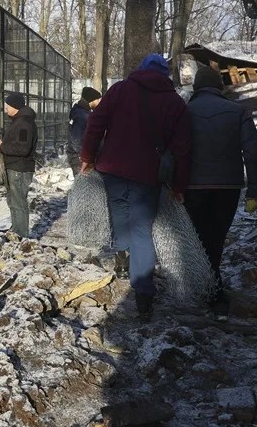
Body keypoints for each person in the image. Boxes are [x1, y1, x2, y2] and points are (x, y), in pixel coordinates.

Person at [80, 53, 192, 321]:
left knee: (119, 213)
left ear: (140, 69)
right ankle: (143, 295)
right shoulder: (174, 102)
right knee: (142, 231)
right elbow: (183, 148)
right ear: (165, 75)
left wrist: (88, 157)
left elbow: (96, 124)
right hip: (147, 174)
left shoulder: (119, 90)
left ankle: (121, 256)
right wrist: (179, 185)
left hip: (113, 169)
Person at [184, 65, 257, 316]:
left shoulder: (184, 112)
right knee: (216, 239)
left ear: (196, 87)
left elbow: (173, 150)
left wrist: (168, 184)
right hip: (228, 186)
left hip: (192, 186)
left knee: (198, 237)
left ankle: (209, 288)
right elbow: (253, 151)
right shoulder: (237, 111)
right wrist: (255, 191)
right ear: (219, 86)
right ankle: (214, 292)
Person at [0, 93, 38, 238]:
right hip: (15, 168)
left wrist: (1, 146)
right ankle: (16, 231)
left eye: (7, 105)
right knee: (14, 202)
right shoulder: (20, 121)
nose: (5, 108)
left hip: (19, 170)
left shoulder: (24, 124)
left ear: (15, 106)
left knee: (18, 203)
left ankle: (21, 235)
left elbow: (23, 148)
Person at [67, 86, 102, 175]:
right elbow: (77, 140)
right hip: (80, 158)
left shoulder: (82, 113)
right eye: (98, 100)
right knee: (84, 182)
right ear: (92, 100)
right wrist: (86, 158)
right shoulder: (81, 117)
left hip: (81, 157)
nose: (99, 102)